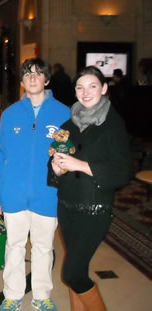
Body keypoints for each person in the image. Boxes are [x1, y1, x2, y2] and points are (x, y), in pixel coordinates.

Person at [0, 58, 70, 311]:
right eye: (27, 74)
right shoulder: (10, 113)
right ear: (22, 82)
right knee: (14, 246)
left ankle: (41, 294)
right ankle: (12, 295)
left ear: (47, 80)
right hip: (13, 195)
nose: (32, 78)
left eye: (38, 74)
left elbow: (73, 155)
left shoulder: (64, 113)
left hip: (48, 195)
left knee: (44, 248)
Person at [48, 66, 132, 311]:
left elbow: (121, 170)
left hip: (94, 206)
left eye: (92, 86)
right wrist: (55, 168)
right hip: (66, 204)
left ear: (104, 88)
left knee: (72, 273)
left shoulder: (113, 125)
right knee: (78, 269)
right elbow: (57, 160)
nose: (85, 92)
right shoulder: (68, 123)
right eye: (80, 87)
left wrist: (81, 165)